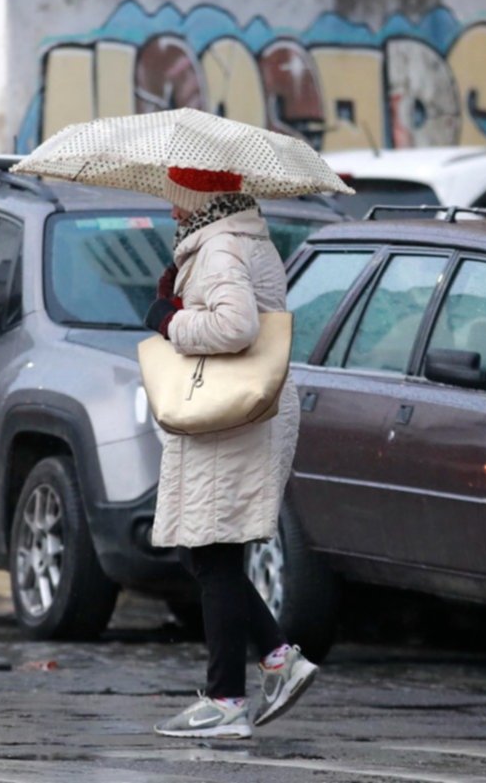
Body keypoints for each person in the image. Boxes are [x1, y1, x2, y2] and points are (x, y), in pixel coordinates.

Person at [141, 165, 318, 740]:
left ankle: (226, 700)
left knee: (212, 550)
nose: (172, 210)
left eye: (178, 198)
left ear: (203, 198)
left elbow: (236, 326)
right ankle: (275, 660)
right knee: (207, 552)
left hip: (236, 411)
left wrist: (170, 321)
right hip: (243, 408)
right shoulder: (229, 239)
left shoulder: (219, 247)